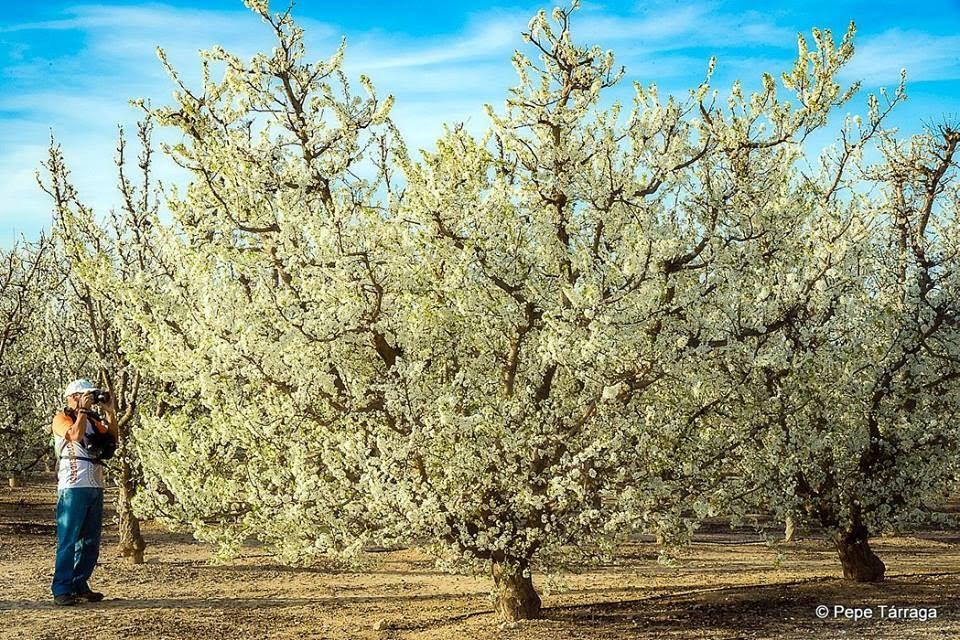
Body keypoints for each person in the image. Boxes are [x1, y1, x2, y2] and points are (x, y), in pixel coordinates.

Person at [49, 379, 119, 606]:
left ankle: (80, 584)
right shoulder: (62, 418)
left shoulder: (92, 420)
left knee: (90, 541)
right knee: (69, 539)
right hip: (73, 485)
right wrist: (83, 411)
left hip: (95, 485)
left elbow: (112, 439)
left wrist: (109, 413)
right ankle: (61, 588)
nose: (89, 398)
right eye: (84, 395)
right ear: (73, 397)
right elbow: (75, 435)